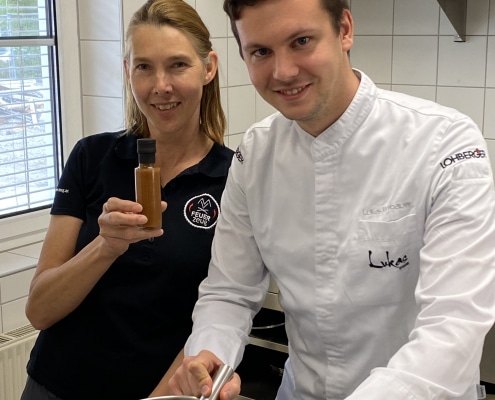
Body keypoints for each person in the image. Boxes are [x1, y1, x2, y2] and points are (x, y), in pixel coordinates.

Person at [166, 0, 495, 399]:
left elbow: (453, 325)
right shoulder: (256, 154)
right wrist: (209, 355)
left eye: (301, 41)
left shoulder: (444, 143)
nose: (283, 71)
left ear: (344, 30)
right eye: (261, 52)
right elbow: (228, 291)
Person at [20, 0, 234, 399]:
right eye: (144, 67)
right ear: (126, 71)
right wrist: (106, 246)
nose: (160, 86)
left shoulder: (234, 179)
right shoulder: (91, 157)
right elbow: (39, 310)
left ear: (209, 68)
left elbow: (223, 311)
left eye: (177, 65)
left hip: (157, 392)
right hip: (53, 386)